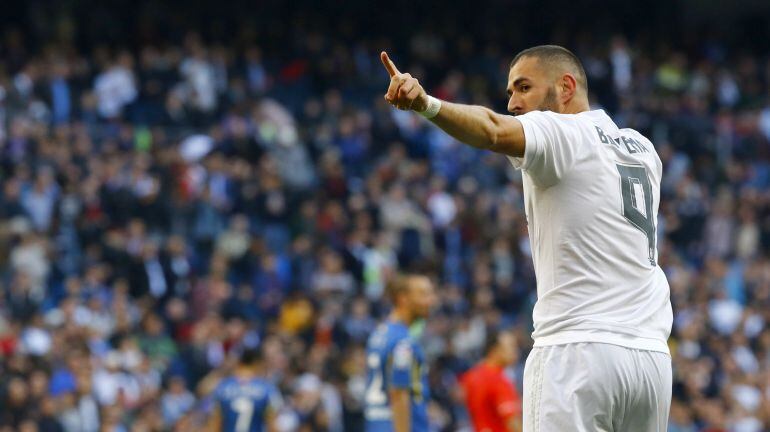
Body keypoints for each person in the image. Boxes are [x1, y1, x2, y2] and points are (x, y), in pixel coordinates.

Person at [380, 45, 673, 431]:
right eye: (510, 94)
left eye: (523, 88)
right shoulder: (644, 150)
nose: (514, 103)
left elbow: (492, 129)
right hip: (651, 360)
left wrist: (427, 104)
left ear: (566, 87)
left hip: (577, 350)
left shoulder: (563, 130)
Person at [364, 273, 436, 432]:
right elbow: (398, 394)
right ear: (403, 298)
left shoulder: (379, 334)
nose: (431, 300)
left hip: (376, 423)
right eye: (423, 294)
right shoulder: (402, 342)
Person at [206, 348, 282, 432]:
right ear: (258, 363)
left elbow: (215, 425)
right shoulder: (267, 389)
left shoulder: (222, 388)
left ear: (238, 363)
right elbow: (272, 427)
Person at [460, 329, 522, 432]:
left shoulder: (470, 376)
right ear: (494, 350)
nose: (515, 351)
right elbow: (513, 423)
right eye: (511, 347)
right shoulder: (499, 380)